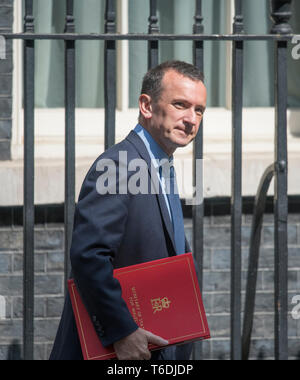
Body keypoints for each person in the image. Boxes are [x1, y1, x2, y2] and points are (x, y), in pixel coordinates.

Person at [49, 60, 207, 360]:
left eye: (199, 110)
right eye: (180, 104)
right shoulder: (120, 165)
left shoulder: (160, 164)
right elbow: (89, 256)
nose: (191, 119)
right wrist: (121, 332)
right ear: (146, 106)